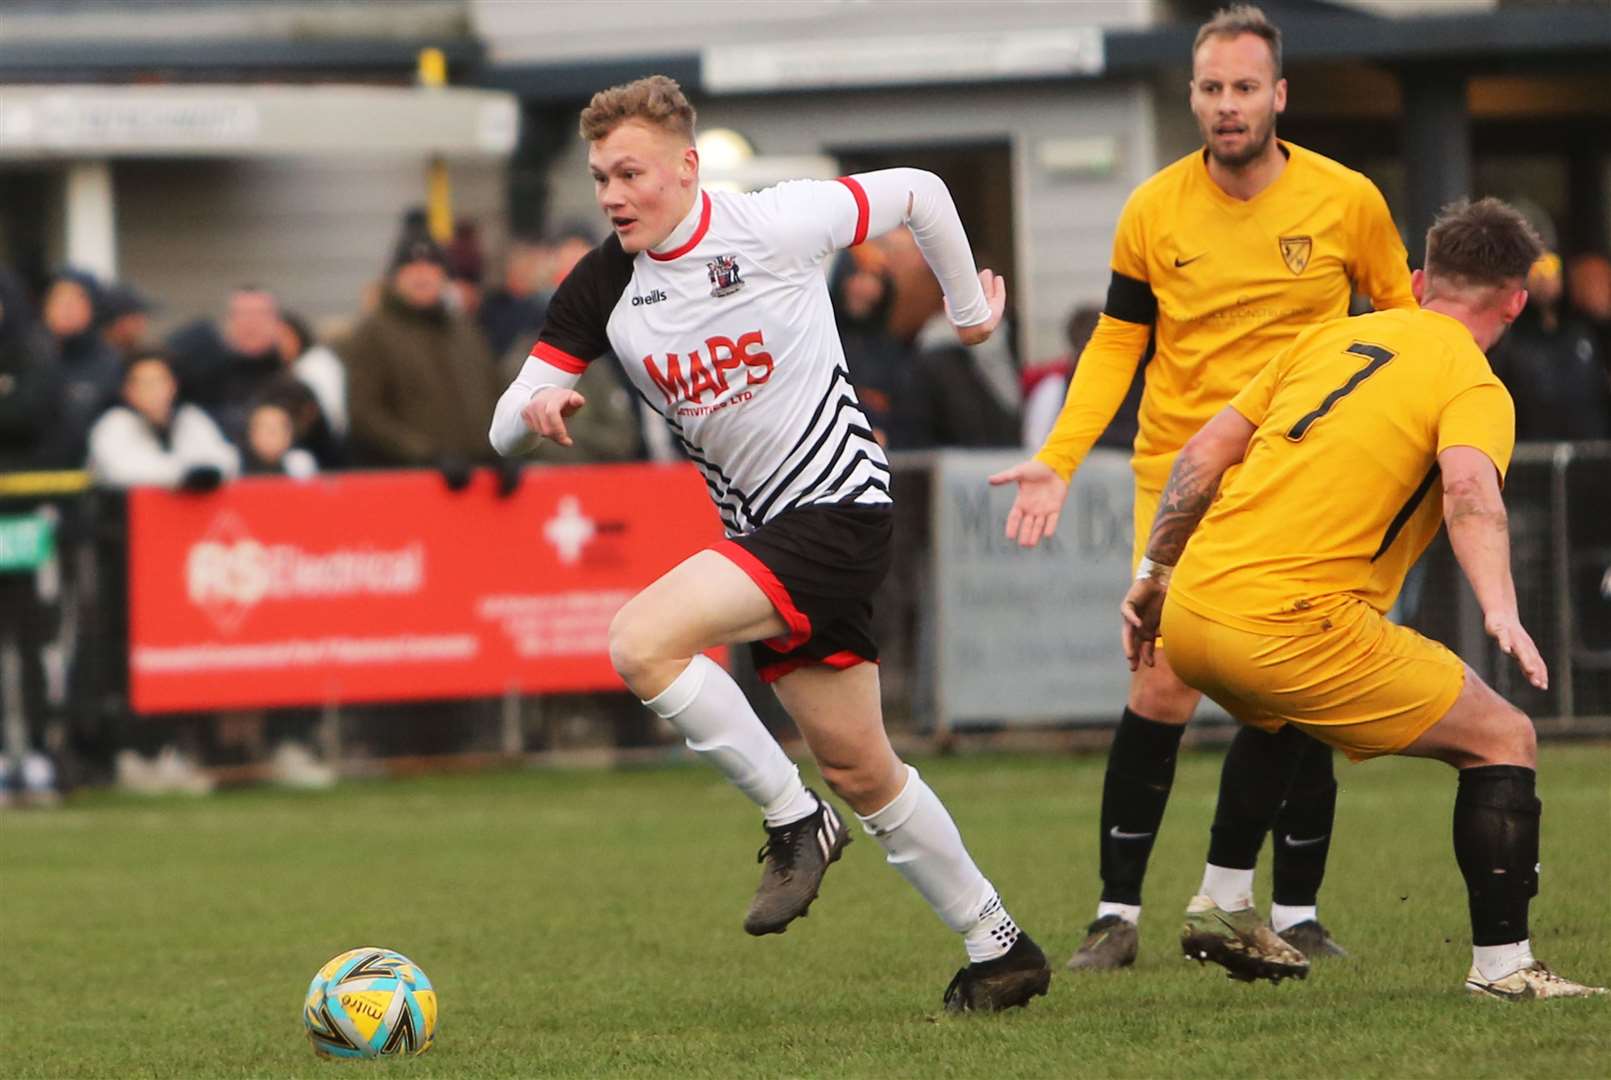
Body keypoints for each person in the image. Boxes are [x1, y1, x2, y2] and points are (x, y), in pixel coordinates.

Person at [489, 75, 1050, 1012]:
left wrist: (965, 313)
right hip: (765, 532)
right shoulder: (604, 282)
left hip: (838, 512)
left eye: (630, 173)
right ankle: (1000, 945)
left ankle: (794, 820)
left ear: (687, 167)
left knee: (640, 640)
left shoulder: (771, 224)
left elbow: (920, 191)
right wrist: (536, 405)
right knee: (861, 766)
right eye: (599, 178)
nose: (613, 195)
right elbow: (502, 422)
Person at [989, 3, 1415, 970]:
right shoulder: (1152, 208)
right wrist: (1057, 459)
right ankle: (1115, 916)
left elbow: (1401, 326)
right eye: (1212, 89)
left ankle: (1297, 913)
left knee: (1303, 690)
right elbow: (1115, 344)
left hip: (1307, 483)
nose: (1228, 106)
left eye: (1244, 88)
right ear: (1191, 96)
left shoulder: (1347, 200)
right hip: (1182, 480)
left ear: (1278, 95)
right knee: (1161, 685)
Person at [1117, 197, 1604, 999]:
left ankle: (1224, 900)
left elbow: (1201, 455)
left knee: (1285, 713)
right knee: (1503, 737)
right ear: (1515, 301)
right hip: (1286, 622)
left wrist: (1153, 574)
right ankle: (1503, 968)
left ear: (1417, 282)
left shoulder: (1328, 337)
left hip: (1194, 608)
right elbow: (1471, 494)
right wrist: (1500, 609)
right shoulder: (1473, 382)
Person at [344, 234, 511, 493]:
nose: (421, 275)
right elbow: (365, 414)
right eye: (410, 267)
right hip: (409, 486)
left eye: (432, 267)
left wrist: (504, 449)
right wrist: (427, 455)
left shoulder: (466, 330)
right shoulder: (373, 334)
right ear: (393, 278)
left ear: (445, 277)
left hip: (478, 484)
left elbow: (496, 393)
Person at [1489, 252, 1609, 441]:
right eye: (1536, 271)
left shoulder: (1585, 331)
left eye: (1551, 269)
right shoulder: (1511, 338)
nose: (1544, 279)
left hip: (1589, 446)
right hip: (1533, 450)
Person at [87, 350, 239, 490]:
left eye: (159, 381)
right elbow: (122, 470)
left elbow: (224, 457)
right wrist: (183, 474)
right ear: (128, 390)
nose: (153, 390)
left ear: (173, 385)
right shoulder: (114, 424)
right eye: (144, 383)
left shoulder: (190, 417)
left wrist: (206, 474)